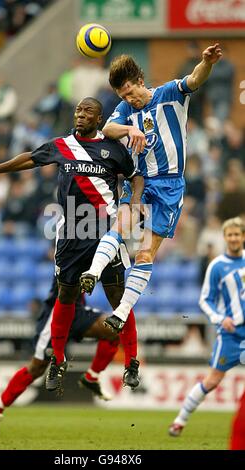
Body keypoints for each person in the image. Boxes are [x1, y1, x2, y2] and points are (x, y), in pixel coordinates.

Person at [0, 97, 144, 394]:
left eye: (87, 111)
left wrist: (135, 202)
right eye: (78, 110)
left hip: (106, 233)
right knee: (66, 296)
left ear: (99, 118)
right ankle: (58, 360)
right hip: (71, 236)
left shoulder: (114, 150)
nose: (80, 115)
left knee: (119, 300)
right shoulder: (61, 145)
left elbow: (135, 177)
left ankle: (131, 362)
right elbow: (29, 158)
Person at [80, 44, 223, 334]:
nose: (129, 100)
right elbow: (107, 130)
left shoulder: (170, 93)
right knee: (119, 229)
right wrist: (129, 129)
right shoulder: (123, 109)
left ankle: (120, 313)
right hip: (140, 182)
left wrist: (206, 62)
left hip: (170, 185)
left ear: (141, 81)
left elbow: (194, 79)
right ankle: (92, 273)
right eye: (123, 96)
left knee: (145, 254)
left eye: (131, 92)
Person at [0, 277, 136, 437]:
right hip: (56, 314)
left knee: (113, 330)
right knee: (37, 368)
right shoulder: (68, 253)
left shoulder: (97, 253)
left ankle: (91, 377)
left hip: (77, 311)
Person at [169, 217, 245, 437]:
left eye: (237, 234)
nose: (233, 238)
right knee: (212, 379)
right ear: (225, 238)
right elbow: (205, 300)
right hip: (230, 334)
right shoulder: (217, 266)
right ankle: (180, 419)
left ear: (243, 237)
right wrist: (221, 319)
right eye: (229, 235)